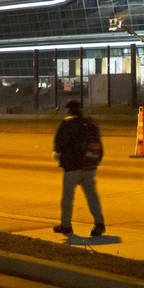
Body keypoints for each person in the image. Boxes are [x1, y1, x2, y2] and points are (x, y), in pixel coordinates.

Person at [52, 99, 105, 237]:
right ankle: (99, 223)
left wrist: (60, 157)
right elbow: (99, 147)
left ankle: (66, 226)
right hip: (89, 167)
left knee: (67, 198)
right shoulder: (90, 124)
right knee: (92, 196)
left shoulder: (66, 124)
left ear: (69, 110)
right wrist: (94, 162)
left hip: (72, 167)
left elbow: (58, 145)